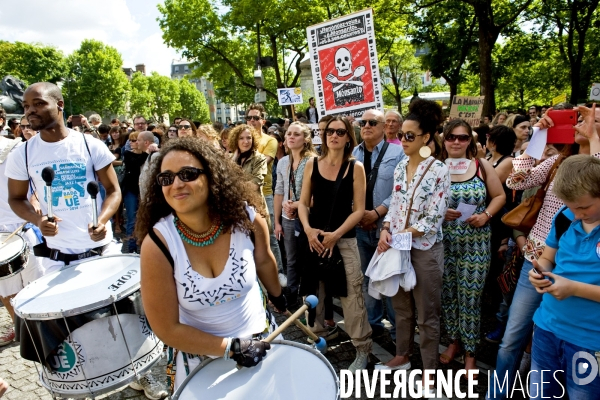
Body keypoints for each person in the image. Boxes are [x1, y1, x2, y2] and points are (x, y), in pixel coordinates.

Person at [135, 137, 286, 392]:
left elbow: (263, 259)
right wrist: (232, 348)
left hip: (264, 342)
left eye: (188, 174)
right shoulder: (157, 245)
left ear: (212, 175)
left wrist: (279, 295)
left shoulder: (247, 219)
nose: (177, 184)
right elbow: (166, 328)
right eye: (167, 178)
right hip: (201, 364)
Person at [487, 103, 600, 399]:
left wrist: (593, 139)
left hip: (586, 277)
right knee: (513, 337)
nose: (584, 125)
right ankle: (496, 394)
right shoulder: (557, 163)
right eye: (580, 121)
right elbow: (514, 180)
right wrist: (538, 136)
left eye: (593, 122)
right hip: (539, 263)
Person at [6, 82, 122, 275]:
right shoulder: (22, 154)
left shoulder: (90, 145)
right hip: (58, 259)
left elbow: (113, 190)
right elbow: (15, 198)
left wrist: (101, 220)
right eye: (26, 106)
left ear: (59, 104)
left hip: (102, 250)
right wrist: (38, 220)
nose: (30, 111)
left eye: (39, 103)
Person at [376, 99, 450, 397]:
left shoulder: (439, 169)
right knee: (401, 307)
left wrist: (403, 233)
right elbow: (394, 205)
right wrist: (385, 230)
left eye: (409, 135)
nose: (401, 140)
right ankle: (402, 355)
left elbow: (436, 214)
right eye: (399, 135)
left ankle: (430, 373)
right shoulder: (400, 167)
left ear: (426, 138)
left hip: (424, 248)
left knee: (426, 315)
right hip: (397, 246)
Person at [298, 116, 373, 373]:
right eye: (330, 131)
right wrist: (308, 231)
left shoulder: (356, 167)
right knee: (315, 294)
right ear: (323, 134)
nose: (334, 135)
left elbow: (359, 210)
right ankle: (317, 338)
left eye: (340, 132)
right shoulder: (311, 163)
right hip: (315, 240)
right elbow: (303, 203)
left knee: (351, 296)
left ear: (348, 137)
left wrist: (336, 234)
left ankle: (362, 348)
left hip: (344, 241)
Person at [526, 154, 600, 398]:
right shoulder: (565, 217)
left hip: (590, 341)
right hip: (547, 327)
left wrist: (574, 288)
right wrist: (540, 273)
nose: (576, 214)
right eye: (570, 206)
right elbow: (548, 258)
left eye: (584, 207)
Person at [438, 119, 505, 377]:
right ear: (444, 140)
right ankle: (453, 341)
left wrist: (486, 215)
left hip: (475, 246)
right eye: (451, 137)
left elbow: (499, 196)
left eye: (463, 137)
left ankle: (470, 352)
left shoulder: (481, 165)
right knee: (448, 299)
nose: (457, 142)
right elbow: (421, 205)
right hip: (443, 245)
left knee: (470, 300)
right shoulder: (436, 168)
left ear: (470, 140)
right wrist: (441, 213)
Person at [353, 109, 405, 339]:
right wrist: (359, 215)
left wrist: (377, 212)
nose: (366, 126)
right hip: (359, 227)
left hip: (388, 228)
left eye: (372, 122)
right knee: (367, 276)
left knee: (391, 278)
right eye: (362, 122)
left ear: (385, 127)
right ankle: (373, 324)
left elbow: (403, 189)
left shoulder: (399, 152)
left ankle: (397, 331)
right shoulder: (353, 153)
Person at [0, 134, 45, 346]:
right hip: (1, 233)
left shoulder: (16, 148)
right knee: (6, 290)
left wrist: (34, 200)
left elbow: (38, 182)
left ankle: (47, 327)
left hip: (24, 224)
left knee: (38, 282)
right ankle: (20, 328)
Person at [274, 122, 317, 306]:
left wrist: (298, 204)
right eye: (289, 134)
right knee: (291, 260)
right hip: (287, 219)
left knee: (308, 262)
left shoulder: (314, 161)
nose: (291, 137)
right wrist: (276, 221)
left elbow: (318, 196)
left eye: (296, 134)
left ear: (306, 139)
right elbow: (279, 191)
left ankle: (310, 301)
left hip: (308, 218)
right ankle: (292, 297)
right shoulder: (283, 162)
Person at [245, 104, 285, 285]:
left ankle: (278, 274)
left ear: (262, 120)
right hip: (243, 196)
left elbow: (263, 162)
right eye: (249, 118)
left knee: (269, 236)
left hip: (265, 193)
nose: (252, 121)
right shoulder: (242, 139)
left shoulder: (270, 141)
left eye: (255, 118)